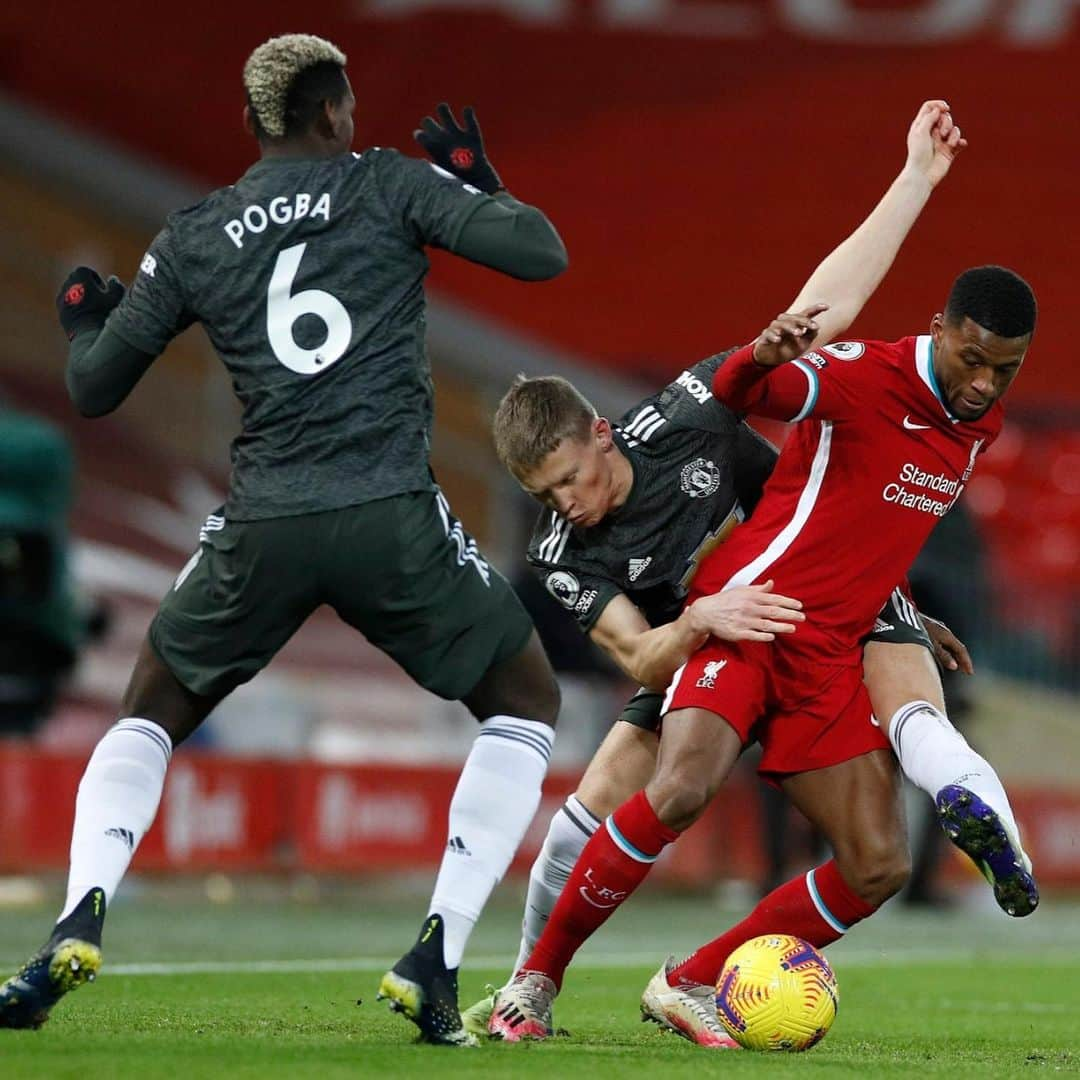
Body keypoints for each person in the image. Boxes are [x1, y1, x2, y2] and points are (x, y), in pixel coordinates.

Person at [0, 33, 567, 1046]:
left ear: (256, 124)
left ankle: (74, 921)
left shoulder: (196, 232)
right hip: (389, 510)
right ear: (337, 114)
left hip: (262, 520)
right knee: (524, 701)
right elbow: (539, 254)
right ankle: (435, 955)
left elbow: (91, 388)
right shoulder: (388, 184)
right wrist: (479, 182)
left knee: (150, 710)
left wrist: (86, 314)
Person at [486, 146, 1040, 1047]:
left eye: (1002, 371)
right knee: (656, 791)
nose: (567, 503)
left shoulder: (970, 422)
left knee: (877, 864)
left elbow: (847, 494)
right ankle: (531, 983)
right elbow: (637, 647)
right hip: (718, 623)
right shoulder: (568, 547)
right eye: (549, 493)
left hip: (812, 637)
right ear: (942, 332)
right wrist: (766, 358)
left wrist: (895, 606)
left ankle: (690, 981)